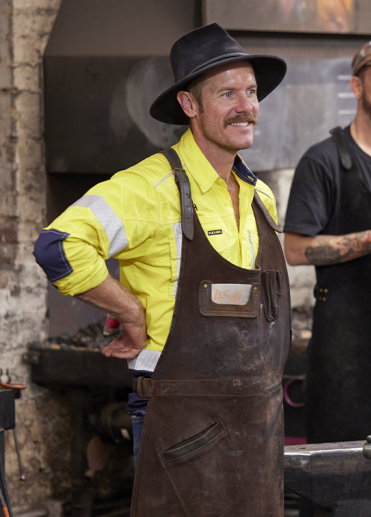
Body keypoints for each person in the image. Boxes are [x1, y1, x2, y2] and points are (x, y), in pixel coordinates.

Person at [33, 24, 289, 515]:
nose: (246, 106)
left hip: (259, 421)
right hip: (181, 424)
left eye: (252, 92)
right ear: (190, 106)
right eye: (228, 93)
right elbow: (57, 247)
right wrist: (128, 308)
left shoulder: (260, 196)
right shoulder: (149, 187)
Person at [282, 39, 371, 445]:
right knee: (340, 475)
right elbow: (294, 249)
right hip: (341, 351)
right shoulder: (323, 160)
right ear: (357, 87)